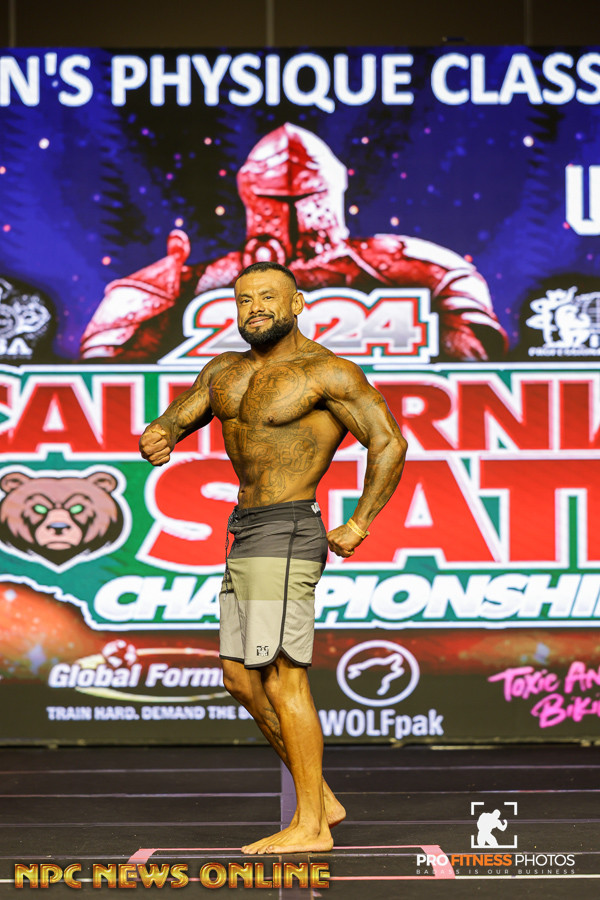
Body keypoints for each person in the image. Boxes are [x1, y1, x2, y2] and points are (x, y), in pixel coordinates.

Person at [139, 260, 407, 854]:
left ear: (297, 304)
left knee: (285, 678)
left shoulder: (326, 372)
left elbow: (389, 441)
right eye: (244, 299)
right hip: (245, 530)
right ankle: (322, 799)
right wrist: (161, 433)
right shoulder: (224, 371)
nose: (255, 307)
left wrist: (360, 521)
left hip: (288, 529)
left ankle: (312, 827)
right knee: (239, 678)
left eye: (267, 297)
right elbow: (180, 415)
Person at [81, 123, 507, 363]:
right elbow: (108, 375)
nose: (291, 211)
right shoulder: (198, 280)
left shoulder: (415, 266)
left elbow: (473, 364)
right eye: (275, 199)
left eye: (305, 197)